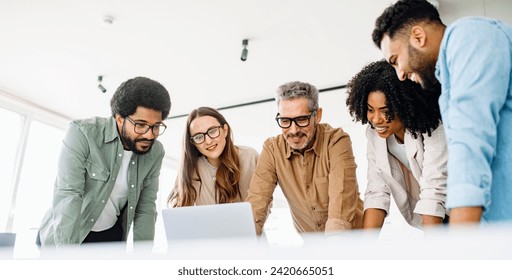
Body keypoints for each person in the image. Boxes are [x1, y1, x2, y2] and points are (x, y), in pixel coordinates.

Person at [372, 0, 512, 224]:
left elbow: (471, 143)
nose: (399, 74)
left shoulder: (468, 37)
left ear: (418, 36)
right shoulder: (447, 82)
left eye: (396, 60)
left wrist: (460, 243)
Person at [37, 76, 171, 246]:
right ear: (120, 118)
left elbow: (146, 208)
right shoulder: (83, 133)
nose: (149, 134)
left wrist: (143, 259)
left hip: (109, 237)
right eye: (141, 125)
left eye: (156, 126)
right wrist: (65, 255)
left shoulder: (155, 152)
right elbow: (68, 194)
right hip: (66, 235)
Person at [246, 81, 363, 235]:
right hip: (312, 247)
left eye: (301, 120)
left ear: (318, 115)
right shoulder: (272, 150)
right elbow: (257, 203)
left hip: (353, 241)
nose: (293, 130)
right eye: (285, 121)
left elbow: (339, 208)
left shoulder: (336, 141)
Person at [346, 60, 447, 230]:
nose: (376, 119)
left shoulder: (433, 126)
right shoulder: (373, 134)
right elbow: (376, 190)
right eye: (371, 110)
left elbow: (433, 189)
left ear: (405, 106)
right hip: (434, 219)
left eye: (386, 111)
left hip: (464, 212)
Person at [167, 107, 258, 207]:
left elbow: (263, 203)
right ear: (193, 143)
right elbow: (177, 209)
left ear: (225, 130)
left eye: (212, 131)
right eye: (198, 137)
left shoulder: (249, 157)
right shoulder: (191, 168)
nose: (208, 141)